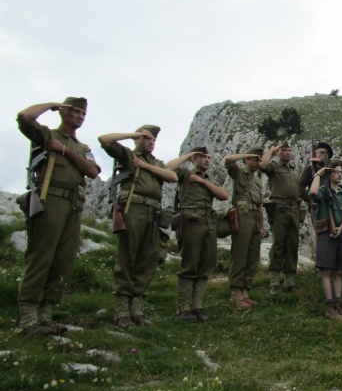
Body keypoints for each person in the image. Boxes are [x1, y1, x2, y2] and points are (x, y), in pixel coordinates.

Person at [16, 97, 101, 336]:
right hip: (48, 200)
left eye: (83, 113)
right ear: (63, 112)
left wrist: (63, 151)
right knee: (41, 257)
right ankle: (28, 317)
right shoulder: (46, 135)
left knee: (63, 260)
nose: (80, 116)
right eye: (74, 111)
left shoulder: (83, 147)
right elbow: (24, 117)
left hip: (73, 204)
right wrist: (50, 104)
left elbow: (92, 171)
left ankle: (46, 315)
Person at [98, 125, 178, 326]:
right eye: (146, 138)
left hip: (153, 212)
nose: (151, 142)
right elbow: (104, 139)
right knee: (127, 257)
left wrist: (146, 167)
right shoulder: (127, 155)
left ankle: (137, 308)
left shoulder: (155, 162)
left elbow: (173, 177)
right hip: (132, 209)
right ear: (137, 139)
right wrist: (132, 135)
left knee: (147, 258)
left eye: (153, 140)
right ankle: (122, 310)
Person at [166, 147, 229, 322]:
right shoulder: (185, 173)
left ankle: (197, 306)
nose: (207, 160)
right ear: (195, 159)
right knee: (190, 263)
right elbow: (168, 168)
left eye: (209, 157)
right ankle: (184, 307)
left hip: (209, 222)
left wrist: (203, 183)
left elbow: (224, 195)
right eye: (203, 157)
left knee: (206, 264)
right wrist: (187, 157)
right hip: (191, 221)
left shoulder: (208, 179)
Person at [309, 159, 342, 320]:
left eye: (341, 172)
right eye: (336, 172)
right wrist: (318, 173)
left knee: (339, 271)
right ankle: (330, 307)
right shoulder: (323, 190)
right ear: (329, 174)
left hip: (340, 232)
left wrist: (341, 228)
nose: (340, 175)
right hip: (325, 233)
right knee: (327, 270)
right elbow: (312, 193)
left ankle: (338, 304)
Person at [223, 147, 265, 309]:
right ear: (247, 159)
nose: (258, 162)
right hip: (243, 215)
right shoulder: (238, 173)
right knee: (240, 253)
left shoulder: (257, 180)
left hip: (254, 217)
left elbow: (259, 205)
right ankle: (235, 293)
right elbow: (228, 160)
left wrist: (261, 226)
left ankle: (245, 291)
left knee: (252, 255)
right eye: (255, 159)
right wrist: (246, 154)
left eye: (259, 159)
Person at [260, 143, 301, 294]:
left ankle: (289, 281)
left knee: (292, 244)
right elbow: (262, 165)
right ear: (278, 153)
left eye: (289, 150)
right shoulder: (274, 168)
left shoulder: (294, 171)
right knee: (278, 244)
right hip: (279, 209)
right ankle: (274, 281)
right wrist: (271, 150)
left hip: (294, 209)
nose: (287, 153)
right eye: (284, 150)